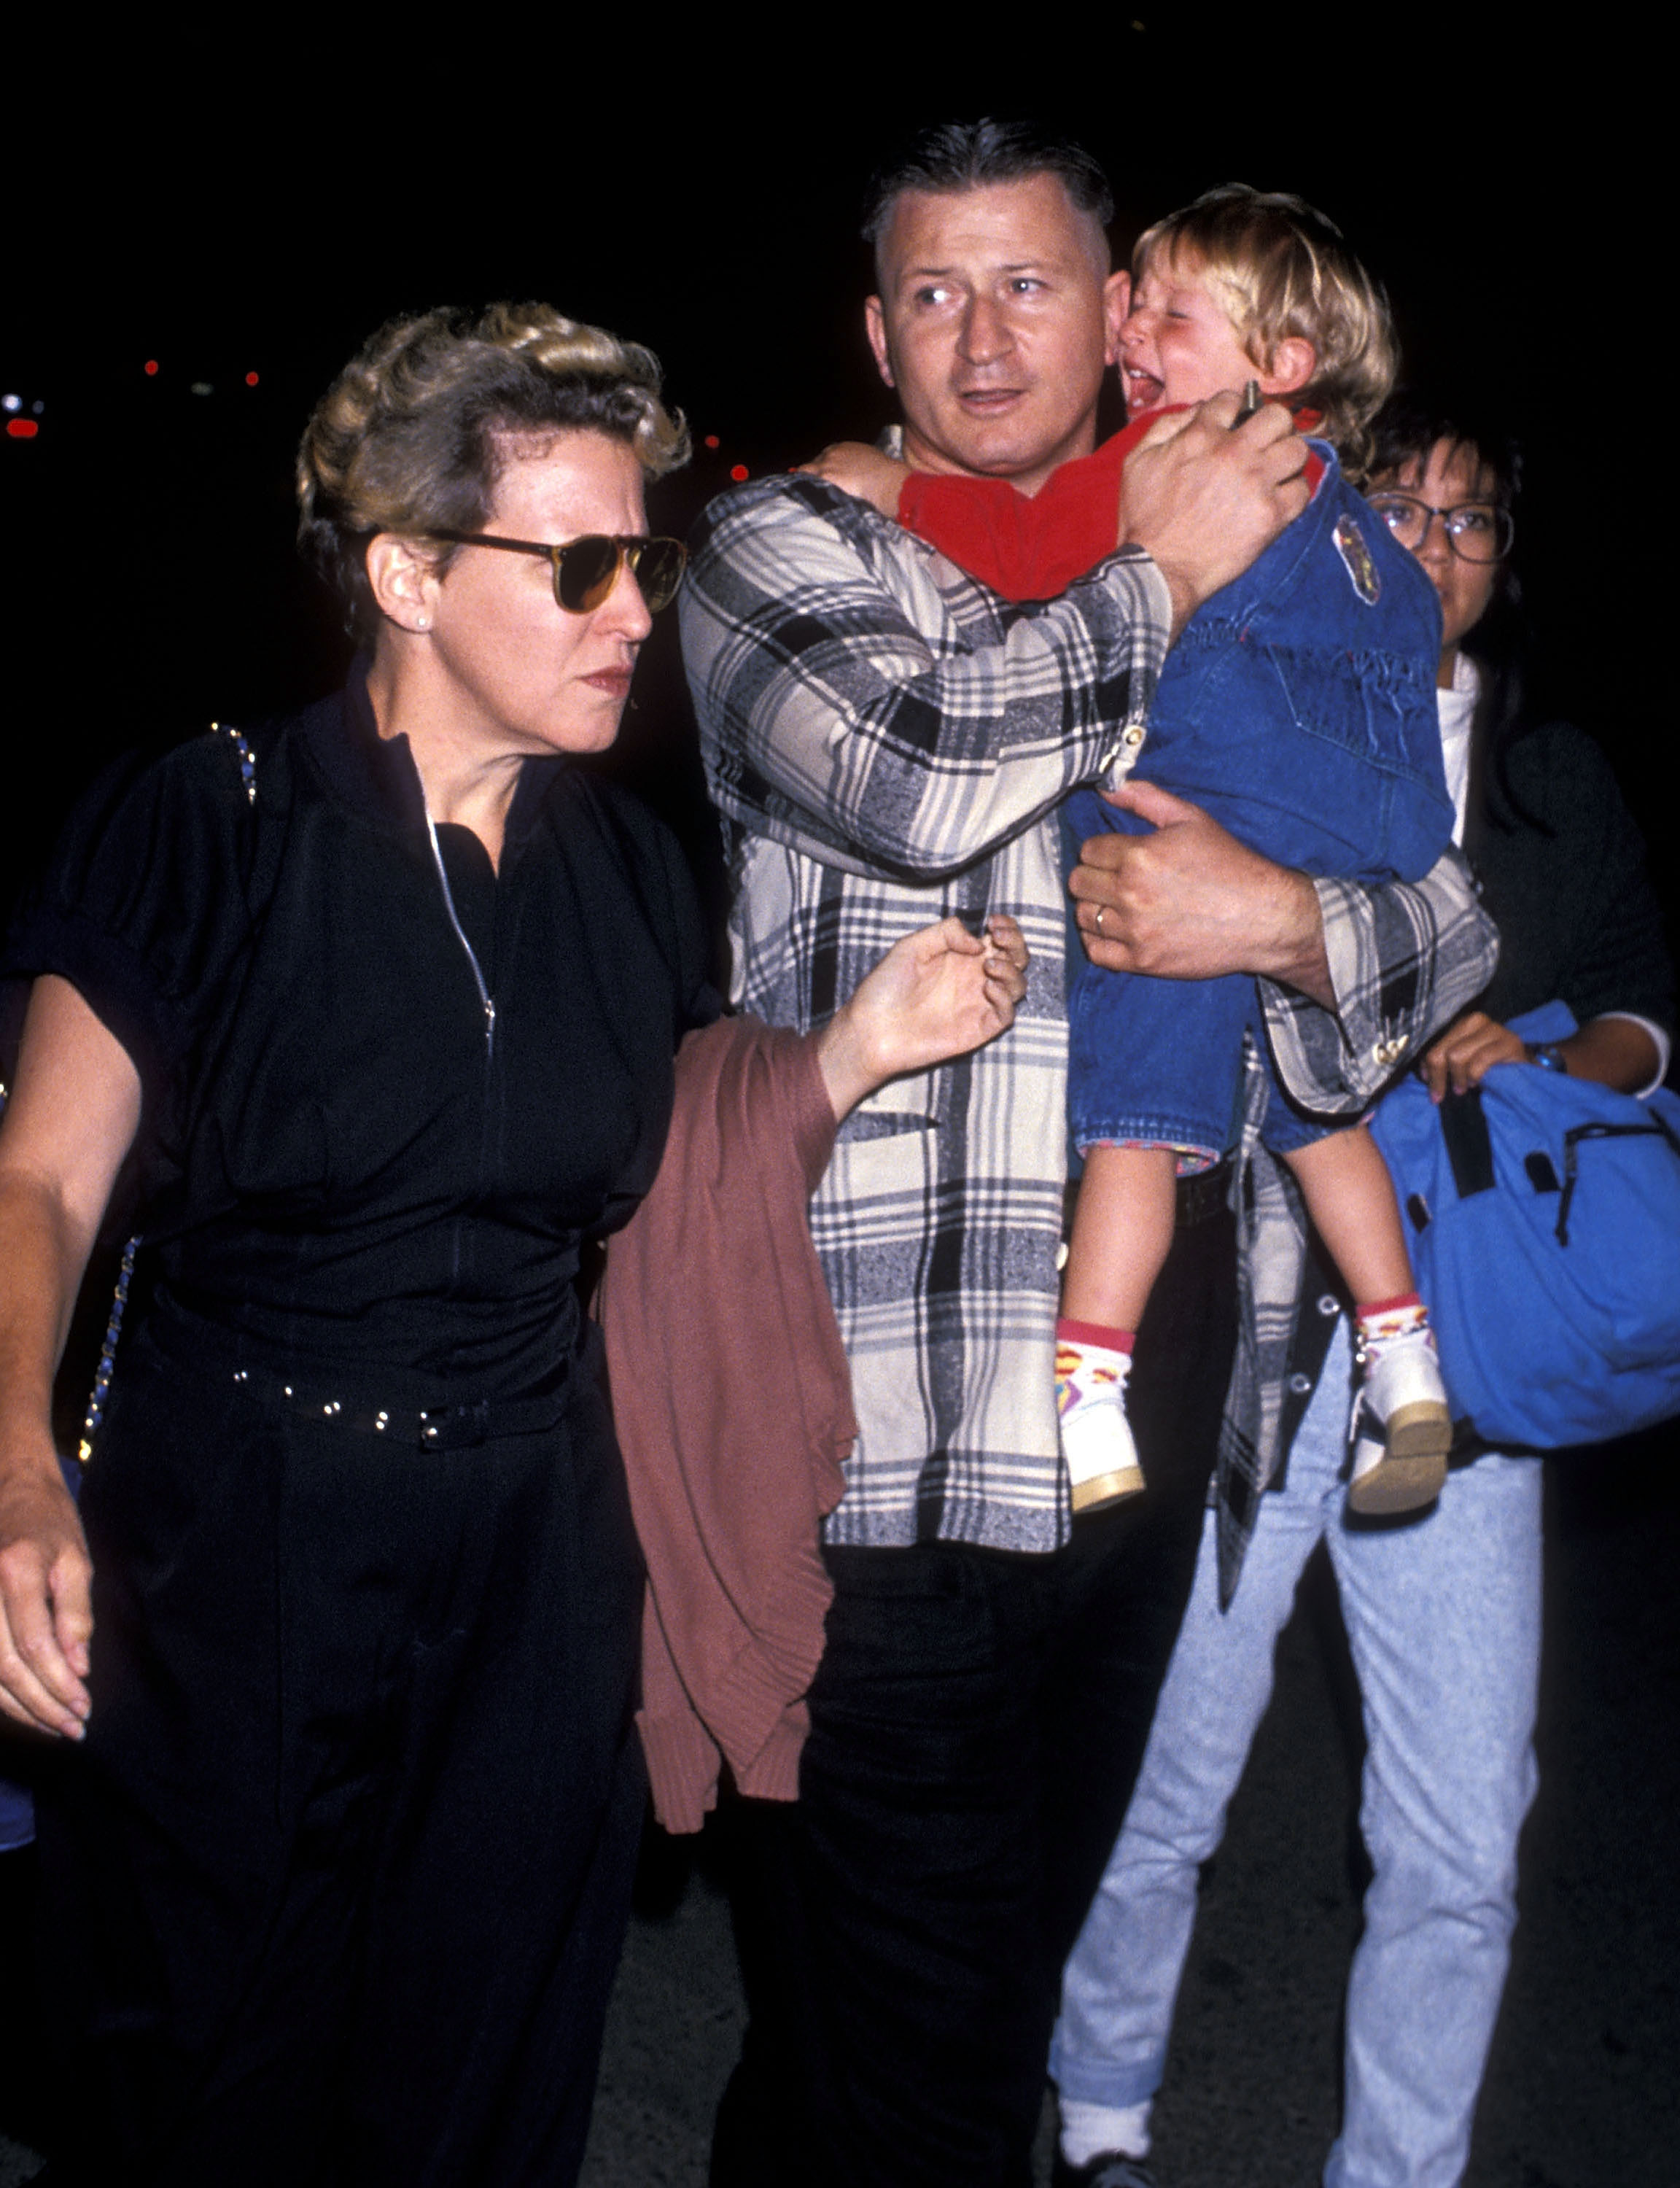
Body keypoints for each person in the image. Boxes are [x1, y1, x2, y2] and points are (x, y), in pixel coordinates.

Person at [0, 300, 1028, 2188]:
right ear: (405, 571)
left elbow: (683, 1169)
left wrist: (857, 1052)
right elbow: (42, 1188)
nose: (635, 610)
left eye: (646, 558)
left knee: (481, 2080)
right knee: (202, 2072)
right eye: (578, 566)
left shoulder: (625, 875)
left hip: (532, 1566)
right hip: (239, 1543)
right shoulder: (208, 826)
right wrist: (8, 1471)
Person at [680, 118, 1497, 2188]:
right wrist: (1162, 565)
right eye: (933, 293)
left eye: (1032, 283)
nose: (980, 337)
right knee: (934, 2040)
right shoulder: (793, 548)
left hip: (1147, 1414)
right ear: (875, 328)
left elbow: (1446, 907)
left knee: (957, 1995)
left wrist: (1283, 923)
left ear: (1124, 306)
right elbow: (918, 768)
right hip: (884, 1432)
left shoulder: (1257, 570)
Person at [1046, 393, 1676, 2188]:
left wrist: (1560, 1045)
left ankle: (1397, 2172)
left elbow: (1642, 999)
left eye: (1473, 520)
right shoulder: (1266, 690)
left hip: (1452, 1355)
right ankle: (1101, 2110)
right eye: (1399, 499)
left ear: (1505, 567)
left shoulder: (1556, 782)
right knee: (1170, 1776)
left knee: (1467, 1836)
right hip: (1245, 1330)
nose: (1432, 541)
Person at [871, 186, 1458, 1522]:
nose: (1134, 339)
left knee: (1135, 1134)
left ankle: (1085, 1393)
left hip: (1180, 809)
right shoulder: (1364, 524)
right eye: (1127, 305)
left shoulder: (1184, 457)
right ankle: (1401, 1348)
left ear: (1280, 365)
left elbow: (1027, 545)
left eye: (1166, 316)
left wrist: (892, 489)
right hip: (1344, 840)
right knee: (1329, 1113)